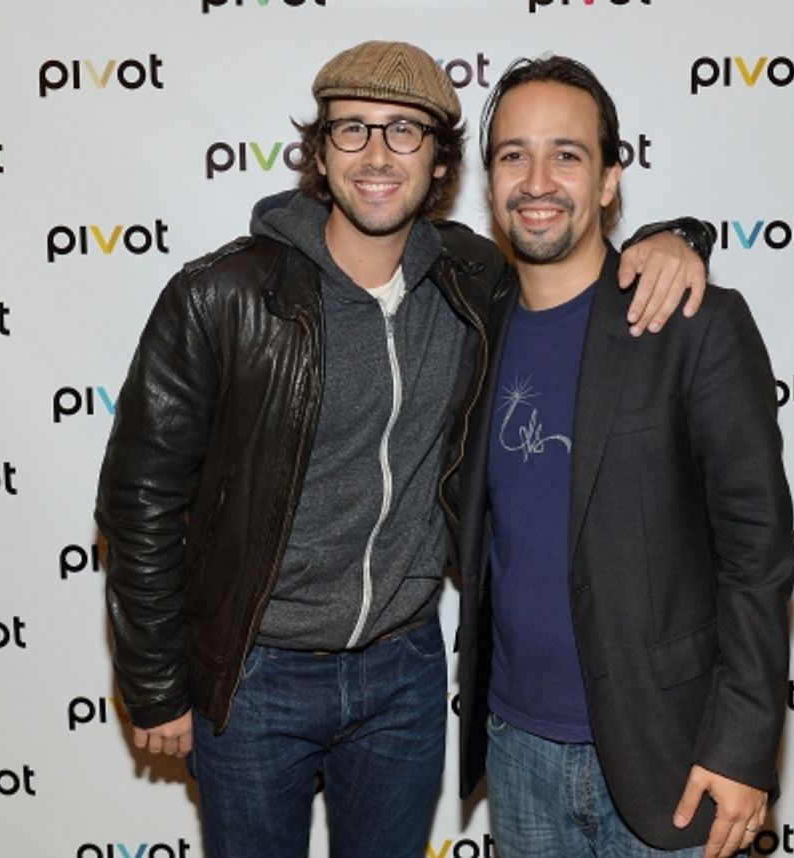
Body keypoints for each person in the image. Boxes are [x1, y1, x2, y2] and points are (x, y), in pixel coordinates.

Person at [95, 40, 708, 858]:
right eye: (352, 129)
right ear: (319, 151)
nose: (377, 155)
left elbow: (581, 263)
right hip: (254, 677)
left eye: (404, 132)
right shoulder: (222, 298)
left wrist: (677, 236)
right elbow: (137, 500)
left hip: (404, 678)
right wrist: (155, 681)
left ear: (442, 164)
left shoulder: (472, 279)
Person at [455, 55, 794, 858]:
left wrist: (743, 747)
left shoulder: (693, 322)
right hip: (516, 753)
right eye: (513, 155)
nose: (537, 180)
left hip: (672, 760)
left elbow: (758, 553)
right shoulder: (474, 314)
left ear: (610, 178)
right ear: (490, 178)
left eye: (566, 155)